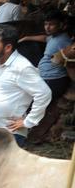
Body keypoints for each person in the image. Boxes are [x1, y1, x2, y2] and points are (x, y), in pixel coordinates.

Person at [0, 23, 51, 148]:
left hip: (9, 133)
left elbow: (44, 93)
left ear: (7, 47)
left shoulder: (22, 67)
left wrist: (28, 121)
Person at [24, 10, 72, 144]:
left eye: (52, 24)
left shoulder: (65, 41)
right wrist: (26, 38)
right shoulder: (53, 37)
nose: (47, 27)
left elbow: (68, 61)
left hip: (54, 80)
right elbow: (44, 38)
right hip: (45, 77)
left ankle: (33, 134)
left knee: (35, 103)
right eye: (46, 24)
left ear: (62, 25)